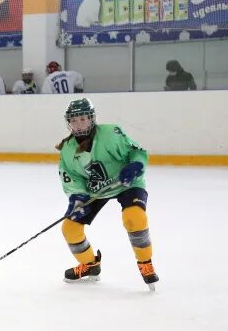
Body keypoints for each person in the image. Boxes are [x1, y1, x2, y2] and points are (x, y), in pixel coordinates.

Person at [57, 98, 158, 289]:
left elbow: (136, 152)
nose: (79, 125)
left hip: (127, 183)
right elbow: (71, 178)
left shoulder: (111, 134)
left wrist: (135, 165)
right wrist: (77, 197)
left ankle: (145, 263)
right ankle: (90, 265)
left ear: (92, 118)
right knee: (69, 228)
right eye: (74, 120)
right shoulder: (67, 150)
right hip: (94, 192)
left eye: (83, 119)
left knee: (134, 217)